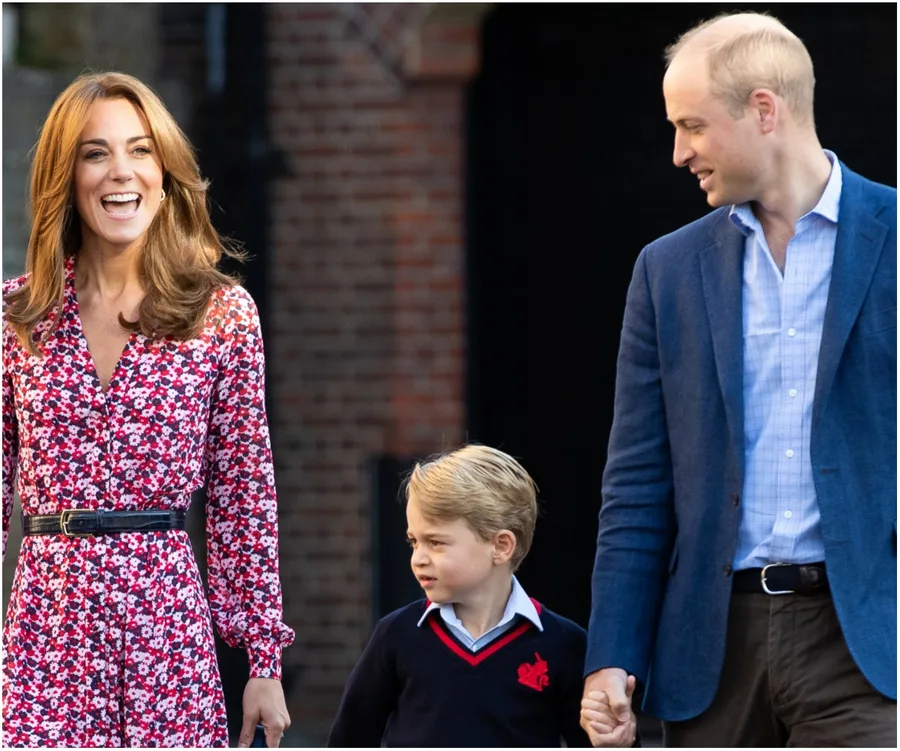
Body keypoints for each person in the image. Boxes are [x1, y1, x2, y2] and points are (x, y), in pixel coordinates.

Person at [580, 11, 896, 748]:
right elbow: (636, 486)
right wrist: (612, 654)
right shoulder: (666, 271)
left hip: (868, 648)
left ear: (764, 109)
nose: (678, 151)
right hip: (708, 652)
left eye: (692, 125)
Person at [1, 72, 294, 748]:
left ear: (165, 172)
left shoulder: (221, 314)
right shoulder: (18, 316)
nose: (119, 172)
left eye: (139, 150)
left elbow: (243, 493)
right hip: (46, 628)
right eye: (95, 152)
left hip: (166, 622)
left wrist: (262, 661)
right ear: (65, 176)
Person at [327, 444, 607, 747]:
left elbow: (597, 742)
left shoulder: (564, 645)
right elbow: (349, 739)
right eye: (413, 542)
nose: (418, 558)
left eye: (436, 542)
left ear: (501, 546)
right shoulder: (396, 635)